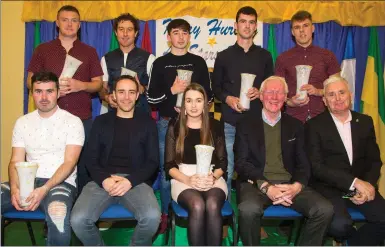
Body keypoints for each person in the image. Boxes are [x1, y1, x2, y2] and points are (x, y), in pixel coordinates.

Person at [234, 76, 334, 246]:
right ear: (261, 96)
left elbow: (304, 163)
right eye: (270, 92)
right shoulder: (245, 124)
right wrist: (266, 187)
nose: (274, 97)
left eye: (280, 92)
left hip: (289, 184)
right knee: (248, 210)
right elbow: (241, 163)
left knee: (324, 210)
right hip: (257, 183)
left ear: (285, 97)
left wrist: (297, 186)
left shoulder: (296, 126)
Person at [70, 75, 160, 246]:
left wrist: (129, 181)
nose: (126, 97)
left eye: (131, 92)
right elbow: (90, 158)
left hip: (136, 181)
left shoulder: (148, 123)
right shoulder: (101, 122)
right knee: (78, 219)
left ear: (137, 95)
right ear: (113, 95)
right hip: (101, 180)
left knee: (152, 217)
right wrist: (105, 179)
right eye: (121, 92)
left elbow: (152, 161)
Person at [1, 72, 84, 246]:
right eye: (38, 91)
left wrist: (44, 189)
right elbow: (15, 161)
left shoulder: (73, 122)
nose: (44, 97)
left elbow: (70, 162)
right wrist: (15, 188)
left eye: (49, 91)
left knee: (58, 213)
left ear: (58, 92)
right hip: (26, 182)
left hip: (60, 183)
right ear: (32, 94)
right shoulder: (22, 122)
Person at [26, 5, 104, 193]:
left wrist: (81, 85)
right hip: (48, 119)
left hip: (81, 118)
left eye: (74, 20)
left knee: (84, 168)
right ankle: (50, 206)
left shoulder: (89, 51)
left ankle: (81, 214)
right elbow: (30, 81)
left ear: (79, 25)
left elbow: (98, 84)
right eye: (65, 20)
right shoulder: (42, 50)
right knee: (48, 165)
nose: (69, 24)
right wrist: (49, 90)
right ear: (57, 23)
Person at [146, 18, 213, 231]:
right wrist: (172, 92)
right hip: (168, 125)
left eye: (185, 33)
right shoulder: (159, 63)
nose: (181, 37)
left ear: (189, 36)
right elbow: (151, 99)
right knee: (167, 173)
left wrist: (192, 107)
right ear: (168, 37)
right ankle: (166, 213)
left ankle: (200, 208)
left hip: (196, 125)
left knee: (201, 168)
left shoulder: (198, 62)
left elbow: (209, 97)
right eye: (176, 33)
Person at [305, 76, 385, 245]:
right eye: (331, 95)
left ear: (350, 94)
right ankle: (348, 238)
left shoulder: (364, 121)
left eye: (341, 92)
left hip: (362, 186)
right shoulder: (313, 126)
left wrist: (368, 185)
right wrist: (354, 183)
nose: (338, 98)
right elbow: (317, 167)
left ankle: (356, 243)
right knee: (339, 226)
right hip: (329, 189)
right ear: (325, 101)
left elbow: (374, 160)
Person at [212, 6, 274, 197]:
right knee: (227, 169)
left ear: (256, 27)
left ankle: (254, 212)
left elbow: (272, 88)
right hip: (230, 122)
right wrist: (228, 99)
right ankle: (224, 217)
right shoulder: (223, 56)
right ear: (235, 25)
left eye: (251, 22)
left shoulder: (265, 56)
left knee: (256, 168)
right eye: (243, 21)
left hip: (256, 123)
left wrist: (261, 91)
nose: (247, 26)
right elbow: (215, 89)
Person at [165, 83, 227, 245]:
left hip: (212, 175)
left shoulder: (215, 125)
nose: (193, 105)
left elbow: (223, 162)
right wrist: (188, 180)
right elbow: (169, 165)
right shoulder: (175, 126)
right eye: (189, 100)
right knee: (197, 204)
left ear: (206, 103)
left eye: (198, 100)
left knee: (213, 204)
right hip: (182, 177)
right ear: (183, 103)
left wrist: (212, 178)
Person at [275, 10, 340, 123]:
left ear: (313, 28)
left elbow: (338, 88)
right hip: (293, 120)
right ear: (292, 32)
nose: (301, 30)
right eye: (297, 27)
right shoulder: (282, 59)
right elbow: (277, 91)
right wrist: (290, 102)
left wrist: (318, 91)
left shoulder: (328, 56)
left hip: (322, 119)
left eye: (305, 25)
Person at [100, 13, 155, 114]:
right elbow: (102, 87)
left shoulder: (149, 58)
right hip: (114, 115)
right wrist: (107, 97)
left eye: (129, 30)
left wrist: (142, 88)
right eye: (121, 29)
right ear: (116, 33)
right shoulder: (106, 59)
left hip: (141, 115)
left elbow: (156, 91)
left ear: (136, 33)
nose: (125, 34)